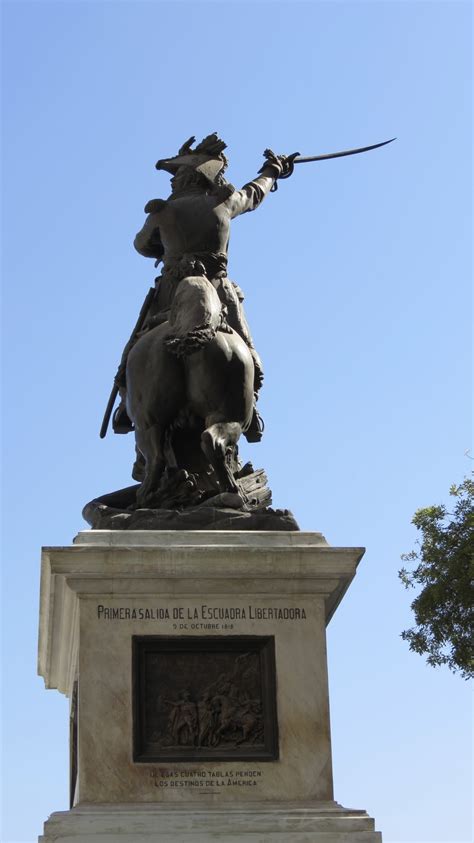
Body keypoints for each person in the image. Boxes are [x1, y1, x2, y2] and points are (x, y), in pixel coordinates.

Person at [114, 133, 294, 446]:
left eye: (177, 176)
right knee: (247, 348)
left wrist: (162, 243)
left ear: (187, 178)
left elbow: (141, 245)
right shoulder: (223, 202)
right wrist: (273, 170)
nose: (173, 183)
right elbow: (254, 193)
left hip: (170, 291)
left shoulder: (162, 211)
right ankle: (250, 406)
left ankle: (124, 405)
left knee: (134, 346)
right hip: (218, 289)